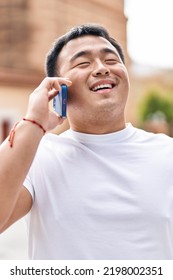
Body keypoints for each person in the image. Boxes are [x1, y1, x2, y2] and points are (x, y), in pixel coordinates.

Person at [0, 23, 173, 260]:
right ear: (57, 87)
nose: (102, 69)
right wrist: (33, 123)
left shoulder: (167, 152)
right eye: (83, 63)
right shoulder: (39, 157)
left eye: (111, 60)